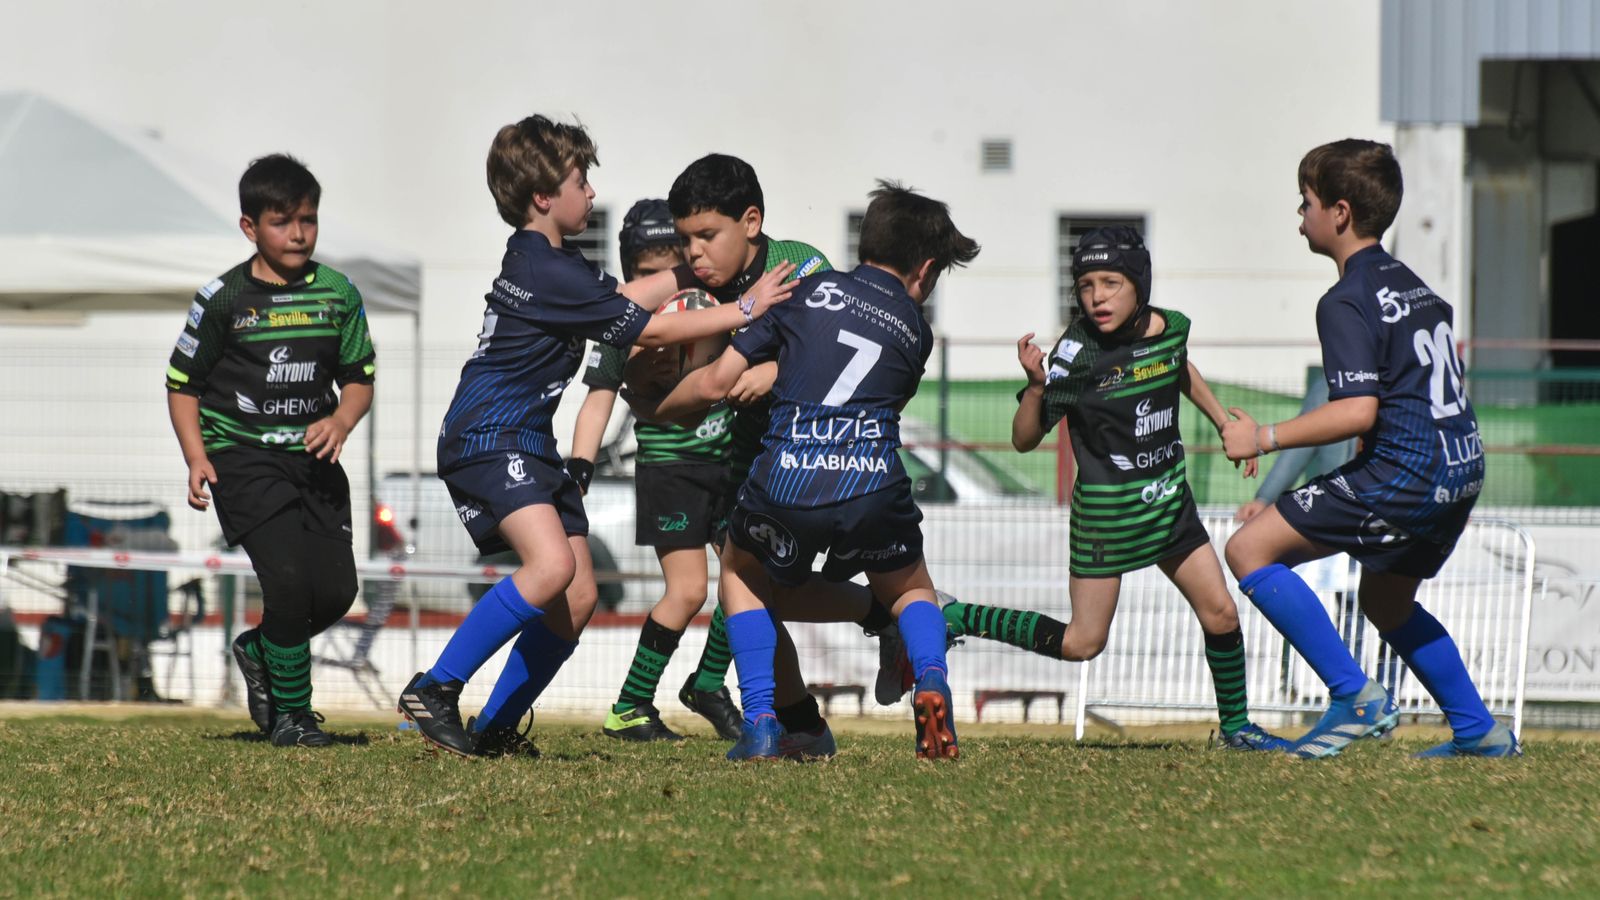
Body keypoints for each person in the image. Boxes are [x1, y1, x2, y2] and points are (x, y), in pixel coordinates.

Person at [394, 115, 798, 757]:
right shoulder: (545, 268)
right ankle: (436, 690)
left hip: (525, 440)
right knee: (551, 568)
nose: (590, 191)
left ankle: (496, 729)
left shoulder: (552, 262)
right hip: (489, 434)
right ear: (544, 197)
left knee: (578, 594)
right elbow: (650, 328)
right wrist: (748, 307)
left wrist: (697, 274)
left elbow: (628, 294)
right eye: (581, 180)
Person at [654, 181, 980, 761]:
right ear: (926, 272)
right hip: (873, 478)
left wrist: (659, 406)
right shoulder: (917, 331)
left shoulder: (808, 290)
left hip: (786, 471)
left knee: (742, 573)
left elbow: (717, 382)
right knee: (911, 589)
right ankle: (931, 679)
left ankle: (759, 722)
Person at [940, 225, 1291, 751]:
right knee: (1084, 643)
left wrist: (1222, 422)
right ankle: (953, 616)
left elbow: (1180, 366)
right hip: (1106, 517)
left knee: (1220, 611)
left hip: (1169, 503)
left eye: (1110, 282)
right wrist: (1037, 388)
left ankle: (1237, 729)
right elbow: (1021, 438)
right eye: (1085, 284)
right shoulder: (1075, 355)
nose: (1097, 296)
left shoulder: (1170, 328)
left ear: (1138, 282)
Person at [1221, 138, 1517, 759]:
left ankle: (1355, 697)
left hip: (1405, 472)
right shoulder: (1414, 287)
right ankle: (1478, 732)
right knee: (1385, 599)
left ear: (1340, 212)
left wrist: (1264, 437)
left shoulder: (1345, 299)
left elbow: (1358, 409)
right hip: (1460, 468)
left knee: (1249, 548)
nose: (1298, 215)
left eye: (1304, 202)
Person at [165, 153, 374, 747]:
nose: (299, 233)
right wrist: (196, 455)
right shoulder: (224, 300)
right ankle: (294, 717)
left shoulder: (338, 293)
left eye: (308, 219)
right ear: (250, 227)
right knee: (286, 583)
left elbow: (359, 377)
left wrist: (341, 418)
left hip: (315, 464)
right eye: (283, 222)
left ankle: (259, 649)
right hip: (243, 459)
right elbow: (183, 386)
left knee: (335, 594)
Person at [566, 198, 743, 742]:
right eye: (647, 274)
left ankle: (709, 683)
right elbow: (597, 400)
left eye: (673, 271)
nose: (664, 287)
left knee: (750, 581)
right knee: (689, 591)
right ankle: (631, 705)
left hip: (729, 464)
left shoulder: (720, 305)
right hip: (670, 469)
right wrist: (578, 469)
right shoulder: (624, 323)